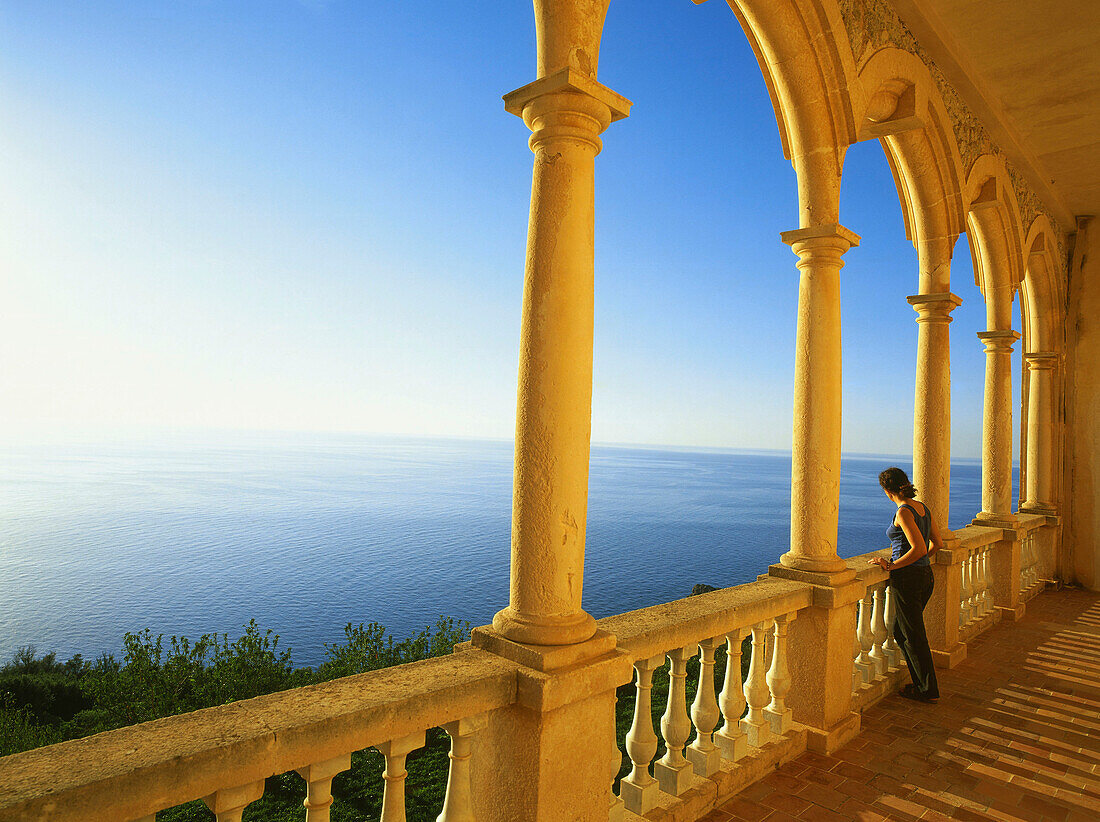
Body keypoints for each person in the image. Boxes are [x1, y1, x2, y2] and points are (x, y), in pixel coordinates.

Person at [868, 466, 943, 703]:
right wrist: (920, 563)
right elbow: (937, 544)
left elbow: (919, 548)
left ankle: (927, 689)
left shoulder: (903, 512)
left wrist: (891, 566)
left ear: (887, 490)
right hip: (925, 575)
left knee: (913, 636)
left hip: (908, 578)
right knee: (903, 633)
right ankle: (922, 684)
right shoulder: (923, 508)